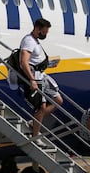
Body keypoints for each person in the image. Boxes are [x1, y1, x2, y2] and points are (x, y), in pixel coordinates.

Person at [19, 18, 63, 147]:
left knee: (58, 100)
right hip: (34, 78)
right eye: (44, 32)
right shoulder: (28, 41)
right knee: (41, 107)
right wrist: (32, 80)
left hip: (42, 76)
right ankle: (35, 136)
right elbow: (24, 62)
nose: (45, 35)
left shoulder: (35, 41)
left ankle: (34, 122)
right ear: (38, 29)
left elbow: (35, 60)